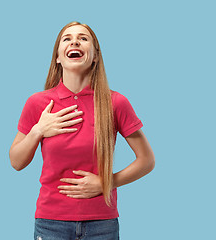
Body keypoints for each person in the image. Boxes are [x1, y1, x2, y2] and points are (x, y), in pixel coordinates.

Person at [9, 21, 155, 240]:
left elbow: (146, 160)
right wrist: (38, 130)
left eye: (83, 38)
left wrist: (107, 182)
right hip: (51, 223)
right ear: (57, 57)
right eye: (66, 38)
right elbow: (16, 162)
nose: (74, 41)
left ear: (95, 56)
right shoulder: (38, 103)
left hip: (102, 223)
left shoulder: (115, 102)